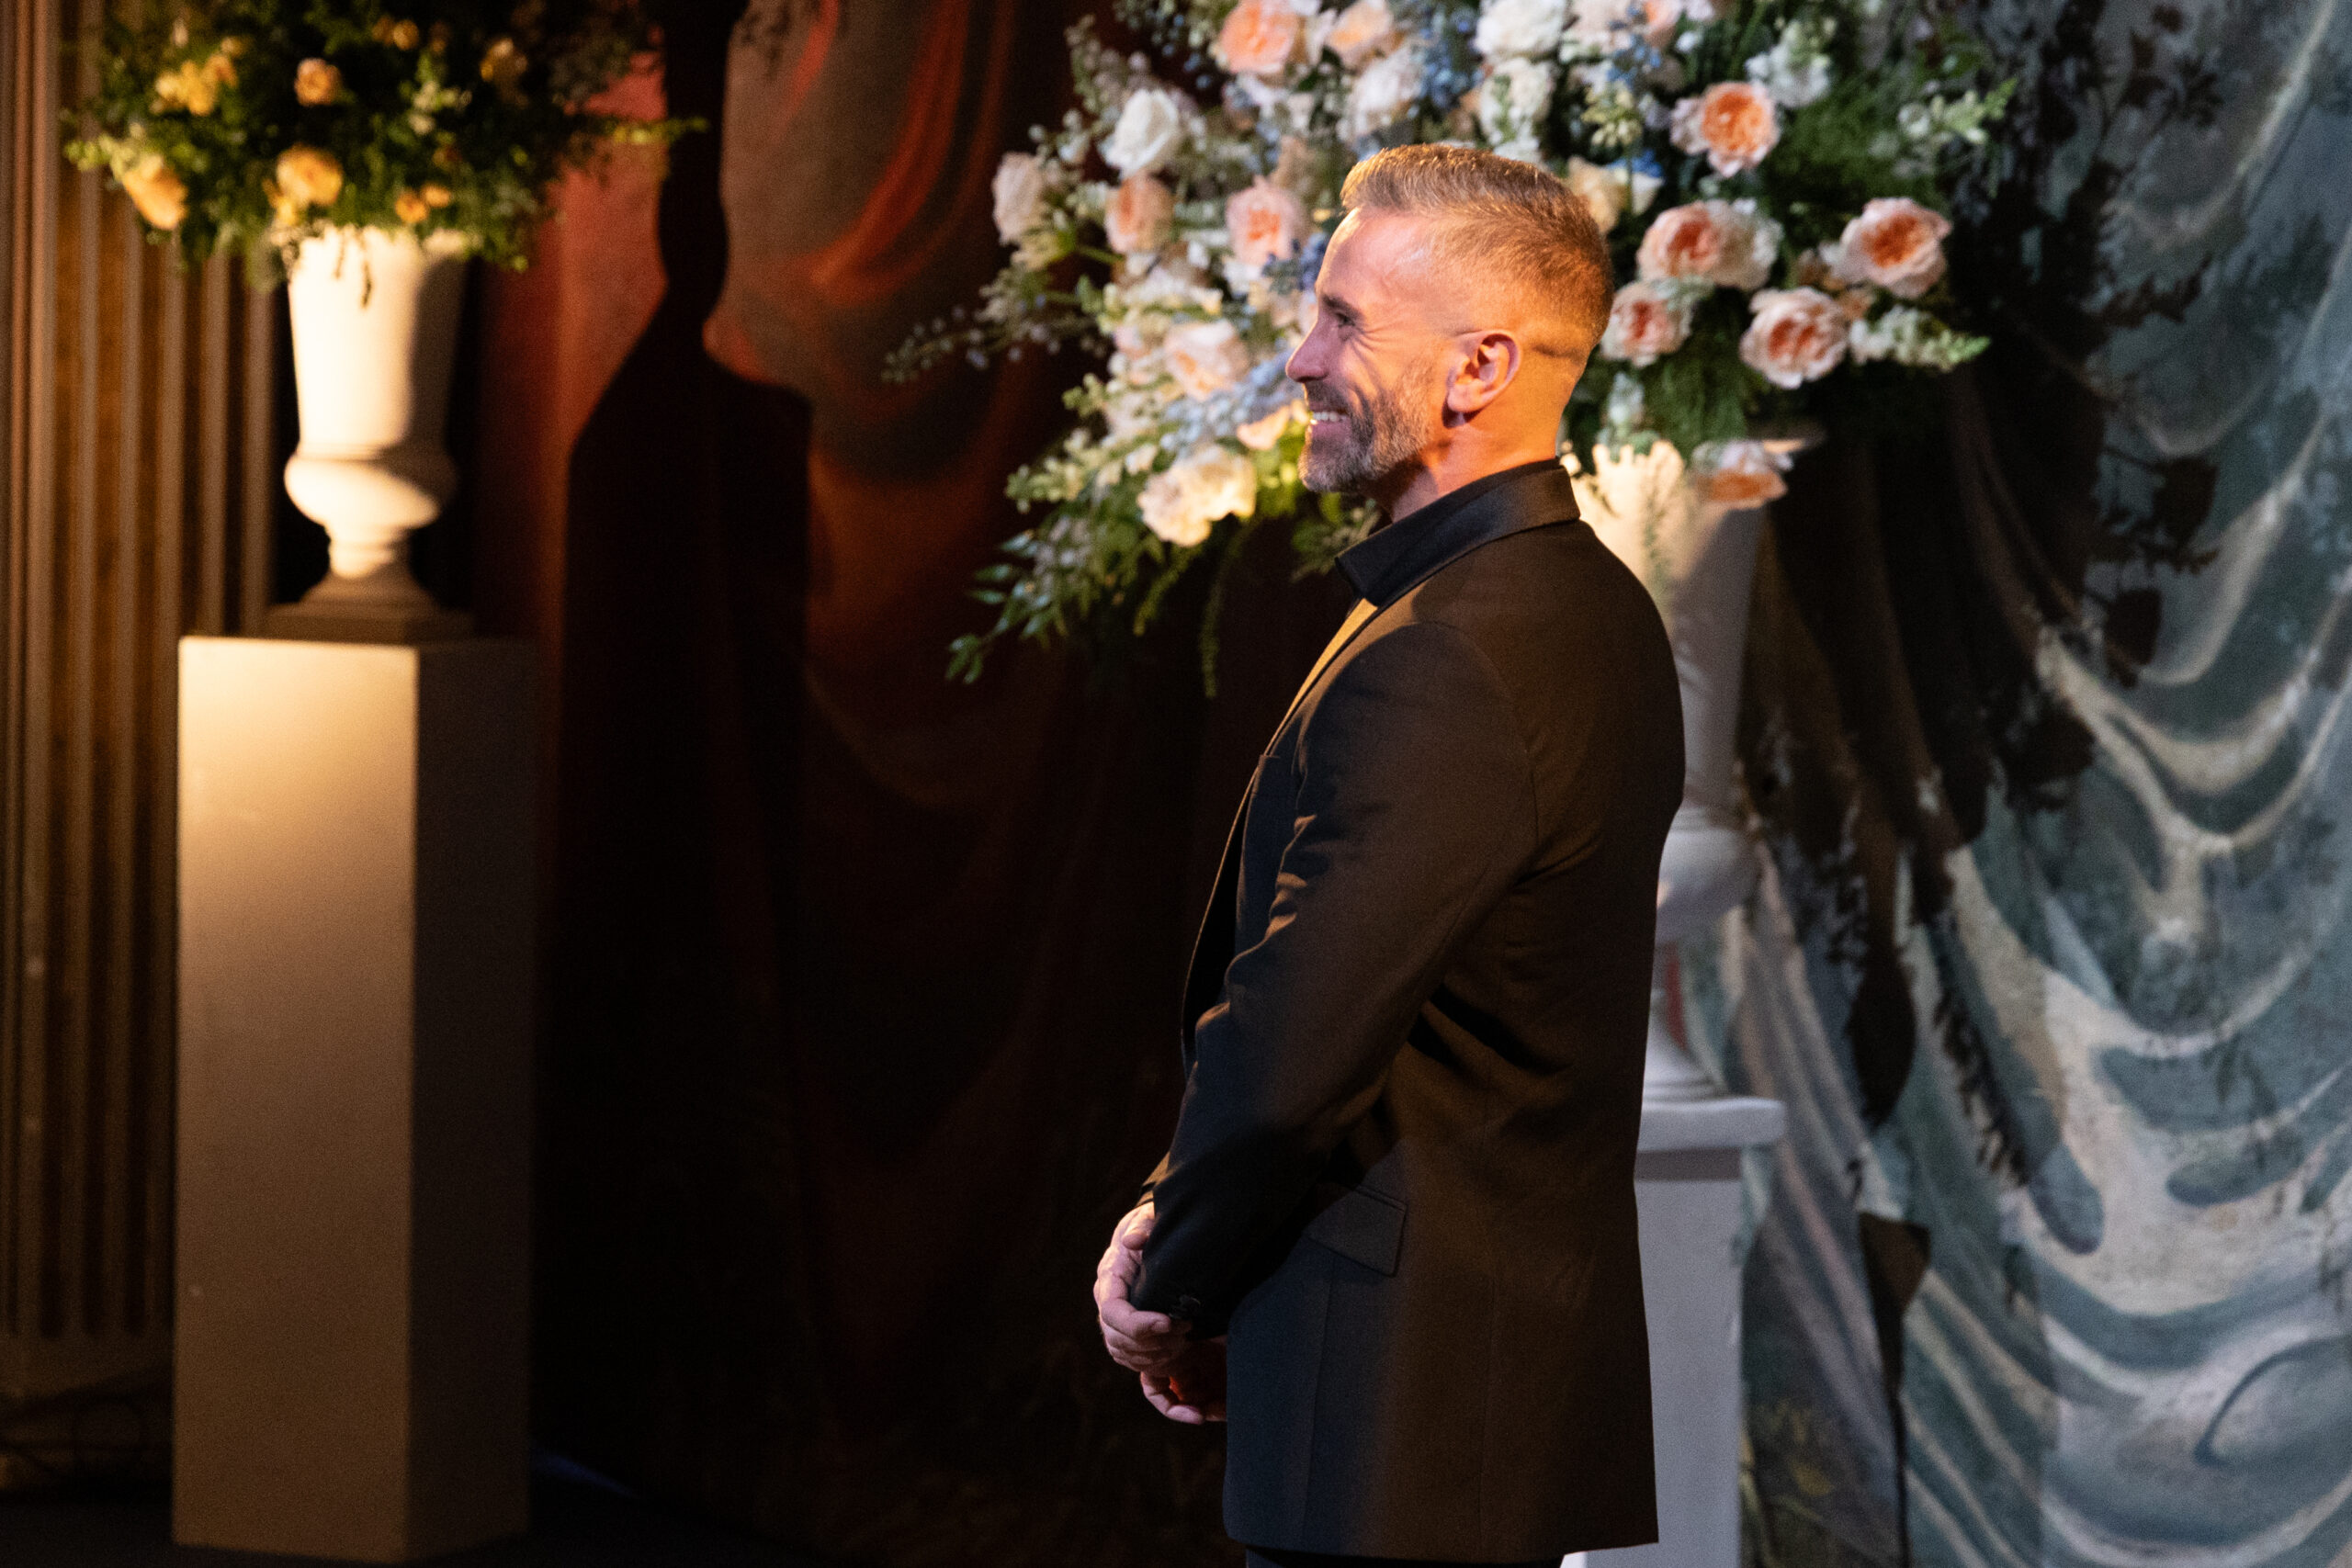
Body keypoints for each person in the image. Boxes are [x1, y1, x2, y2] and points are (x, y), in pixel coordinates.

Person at [1091, 144, 1684, 1567]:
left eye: (1344, 321)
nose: (1301, 360)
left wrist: (1170, 1275)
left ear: (1480, 368)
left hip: (1393, 1425)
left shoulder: (1456, 652)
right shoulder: (1584, 607)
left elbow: (1296, 1043)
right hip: (1461, 1414)